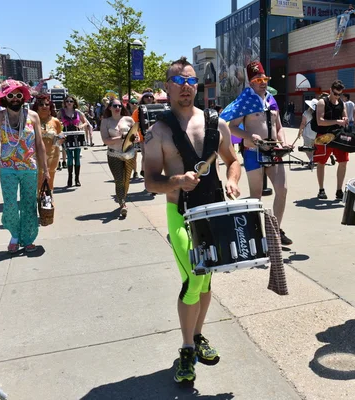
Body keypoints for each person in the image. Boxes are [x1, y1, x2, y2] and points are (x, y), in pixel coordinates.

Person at [144, 56, 241, 384]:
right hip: (180, 213)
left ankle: (197, 336)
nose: (186, 87)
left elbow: (232, 160)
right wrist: (177, 181)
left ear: (197, 85)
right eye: (179, 81)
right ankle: (187, 349)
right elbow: (150, 182)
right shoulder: (158, 131)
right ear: (167, 87)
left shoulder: (217, 123)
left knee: (207, 280)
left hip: (214, 211)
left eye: (190, 81)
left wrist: (232, 179)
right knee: (194, 276)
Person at [226, 61, 293, 245]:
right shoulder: (245, 101)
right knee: (256, 195)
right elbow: (232, 127)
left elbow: (278, 126)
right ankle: (253, 234)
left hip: (273, 150)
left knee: (282, 190)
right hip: (253, 152)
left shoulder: (271, 99)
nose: (262, 82)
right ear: (251, 82)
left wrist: (283, 141)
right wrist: (249, 135)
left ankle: (274, 233)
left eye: (265, 78)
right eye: (258, 79)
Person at [0, 80, 50, 253]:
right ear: (4, 98)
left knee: (29, 205)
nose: (15, 99)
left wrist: (45, 169)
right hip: (7, 169)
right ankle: (15, 235)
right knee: (10, 205)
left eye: (18, 95)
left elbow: (39, 144)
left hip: (29, 168)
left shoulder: (33, 116)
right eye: (11, 95)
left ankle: (28, 238)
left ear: (23, 97)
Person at [99, 98, 137, 218]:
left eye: (119, 106)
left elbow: (137, 137)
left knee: (126, 180)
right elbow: (105, 140)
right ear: (109, 107)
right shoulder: (106, 121)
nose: (117, 108)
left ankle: (122, 197)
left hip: (129, 153)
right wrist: (121, 138)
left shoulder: (129, 119)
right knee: (119, 180)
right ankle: (122, 203)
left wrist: (135, 139)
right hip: (114, 154)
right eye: (114, 106)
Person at [314, 80, 349, 201]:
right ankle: (321, 189)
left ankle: (339, 190)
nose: (337, 96)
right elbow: (320, 121)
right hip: (324, 136)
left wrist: (345, 119)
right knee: (321, 162)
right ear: (330, 90)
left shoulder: (342, 103)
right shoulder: (322, 102)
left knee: (343, 162)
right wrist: (337, 121)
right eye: (335, 93)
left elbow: (345, 116)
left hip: (339, 136)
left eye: (340, 94)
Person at [58, 95, 91, 187]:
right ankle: (69, 178)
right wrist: (60, 123)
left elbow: (85, 122)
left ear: (74, 103)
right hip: (67, 135)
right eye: (67, 101)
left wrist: (81, 126)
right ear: (65, 102)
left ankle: (77, 179)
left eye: (71, 101)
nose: (69, 103)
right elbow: (56, 121)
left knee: (77, 157)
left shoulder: (77, 112)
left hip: (77, 135)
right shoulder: (61, 112)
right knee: (69, 156)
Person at [32, 95, 63, 191]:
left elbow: (59, 137)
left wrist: (60, 139)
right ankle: (37, 200)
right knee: (38, 179)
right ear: (37, 106)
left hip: (52, 155)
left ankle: (49, 200)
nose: (44, 106)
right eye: (41, 104)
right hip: (35, 156)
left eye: (47, 104)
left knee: (50, 179)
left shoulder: (55, 121)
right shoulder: (31, 121)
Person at [131, 88, 156, 178]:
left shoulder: (158, 108)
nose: (149, 98)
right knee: (146, 155)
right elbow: (133, 124)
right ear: (143, 98)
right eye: (146, 97)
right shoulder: (138, 111)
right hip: (143, 137)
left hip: (157, 137)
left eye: (151, 97)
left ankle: (144, 171)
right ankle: (146, 172)